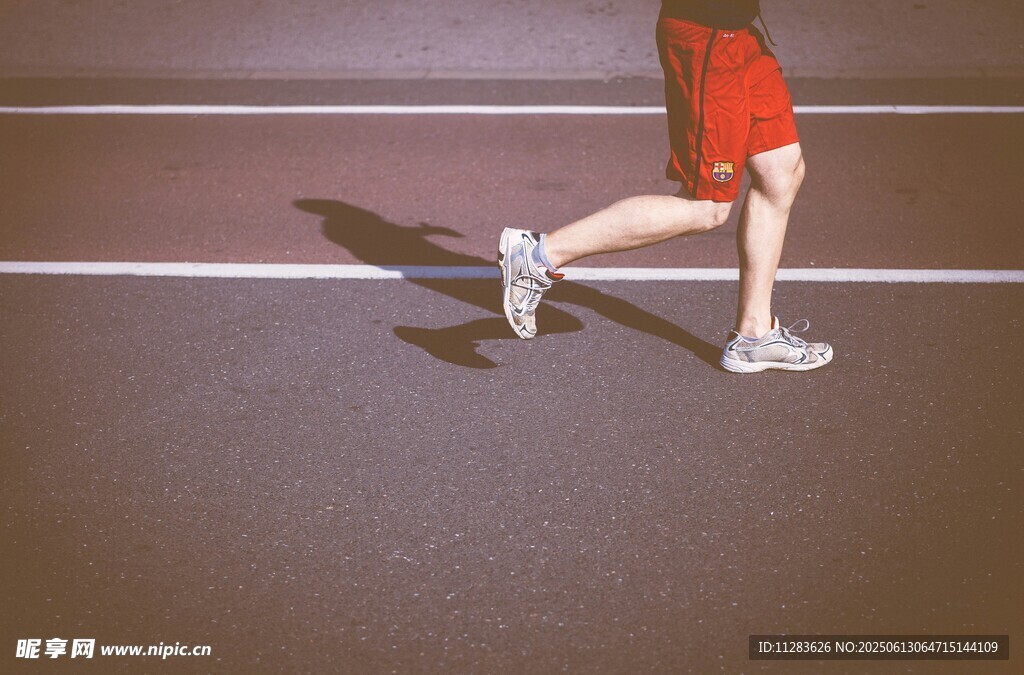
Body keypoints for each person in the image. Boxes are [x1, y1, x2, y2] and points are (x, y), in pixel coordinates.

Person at [498, 0, 833, 373]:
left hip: (739, 35)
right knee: (707, 206)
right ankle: (538, 255)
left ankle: (753, 336)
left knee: (781, 171)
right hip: (708, 35)